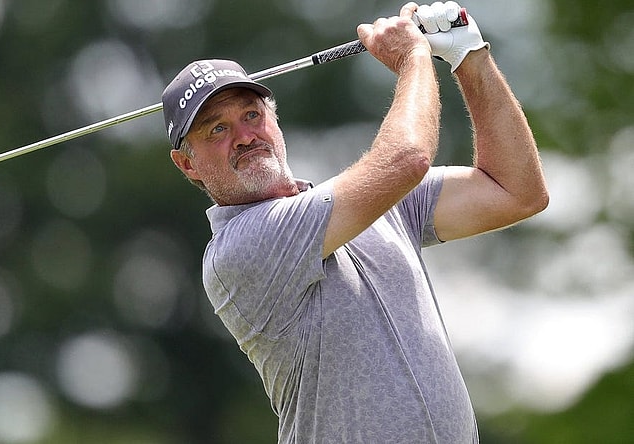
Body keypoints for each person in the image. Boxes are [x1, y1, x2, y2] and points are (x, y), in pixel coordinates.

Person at [161, 1, 548, 442]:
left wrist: (470, 58)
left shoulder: (376, 205)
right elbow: (407, 159)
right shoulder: (241, 248)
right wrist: (414, 59)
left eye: (252, 115)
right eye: (217, 129)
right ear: (187, 165)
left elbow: (516, 191)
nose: (245, 136)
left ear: (274, 120)